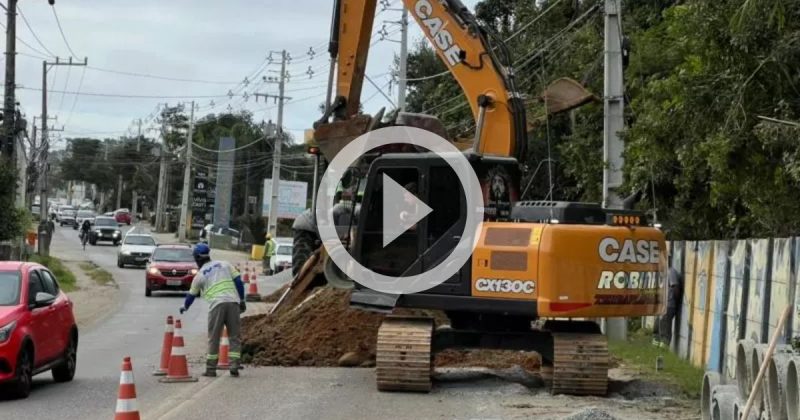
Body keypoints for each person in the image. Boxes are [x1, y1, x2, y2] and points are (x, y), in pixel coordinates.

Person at [179, 243, 246, 377]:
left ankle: (211, 369)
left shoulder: (200, 275)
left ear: (197, 259)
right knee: (234, 337)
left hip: (217, 306)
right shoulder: (224, 264)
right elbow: (239, 281)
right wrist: (242, 300)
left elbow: (191, 295)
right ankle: (234, 365)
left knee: (214, 338)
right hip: (233, 303)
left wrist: (185, 307)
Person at [654, 265, 683, 347]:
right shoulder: (661, 273)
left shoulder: (671, 272)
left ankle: (663, 349)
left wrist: (672, 301)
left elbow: (676, 288)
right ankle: (656, 348)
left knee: (665, 330)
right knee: (657, 328)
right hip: (661, 305)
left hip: (668, 305)